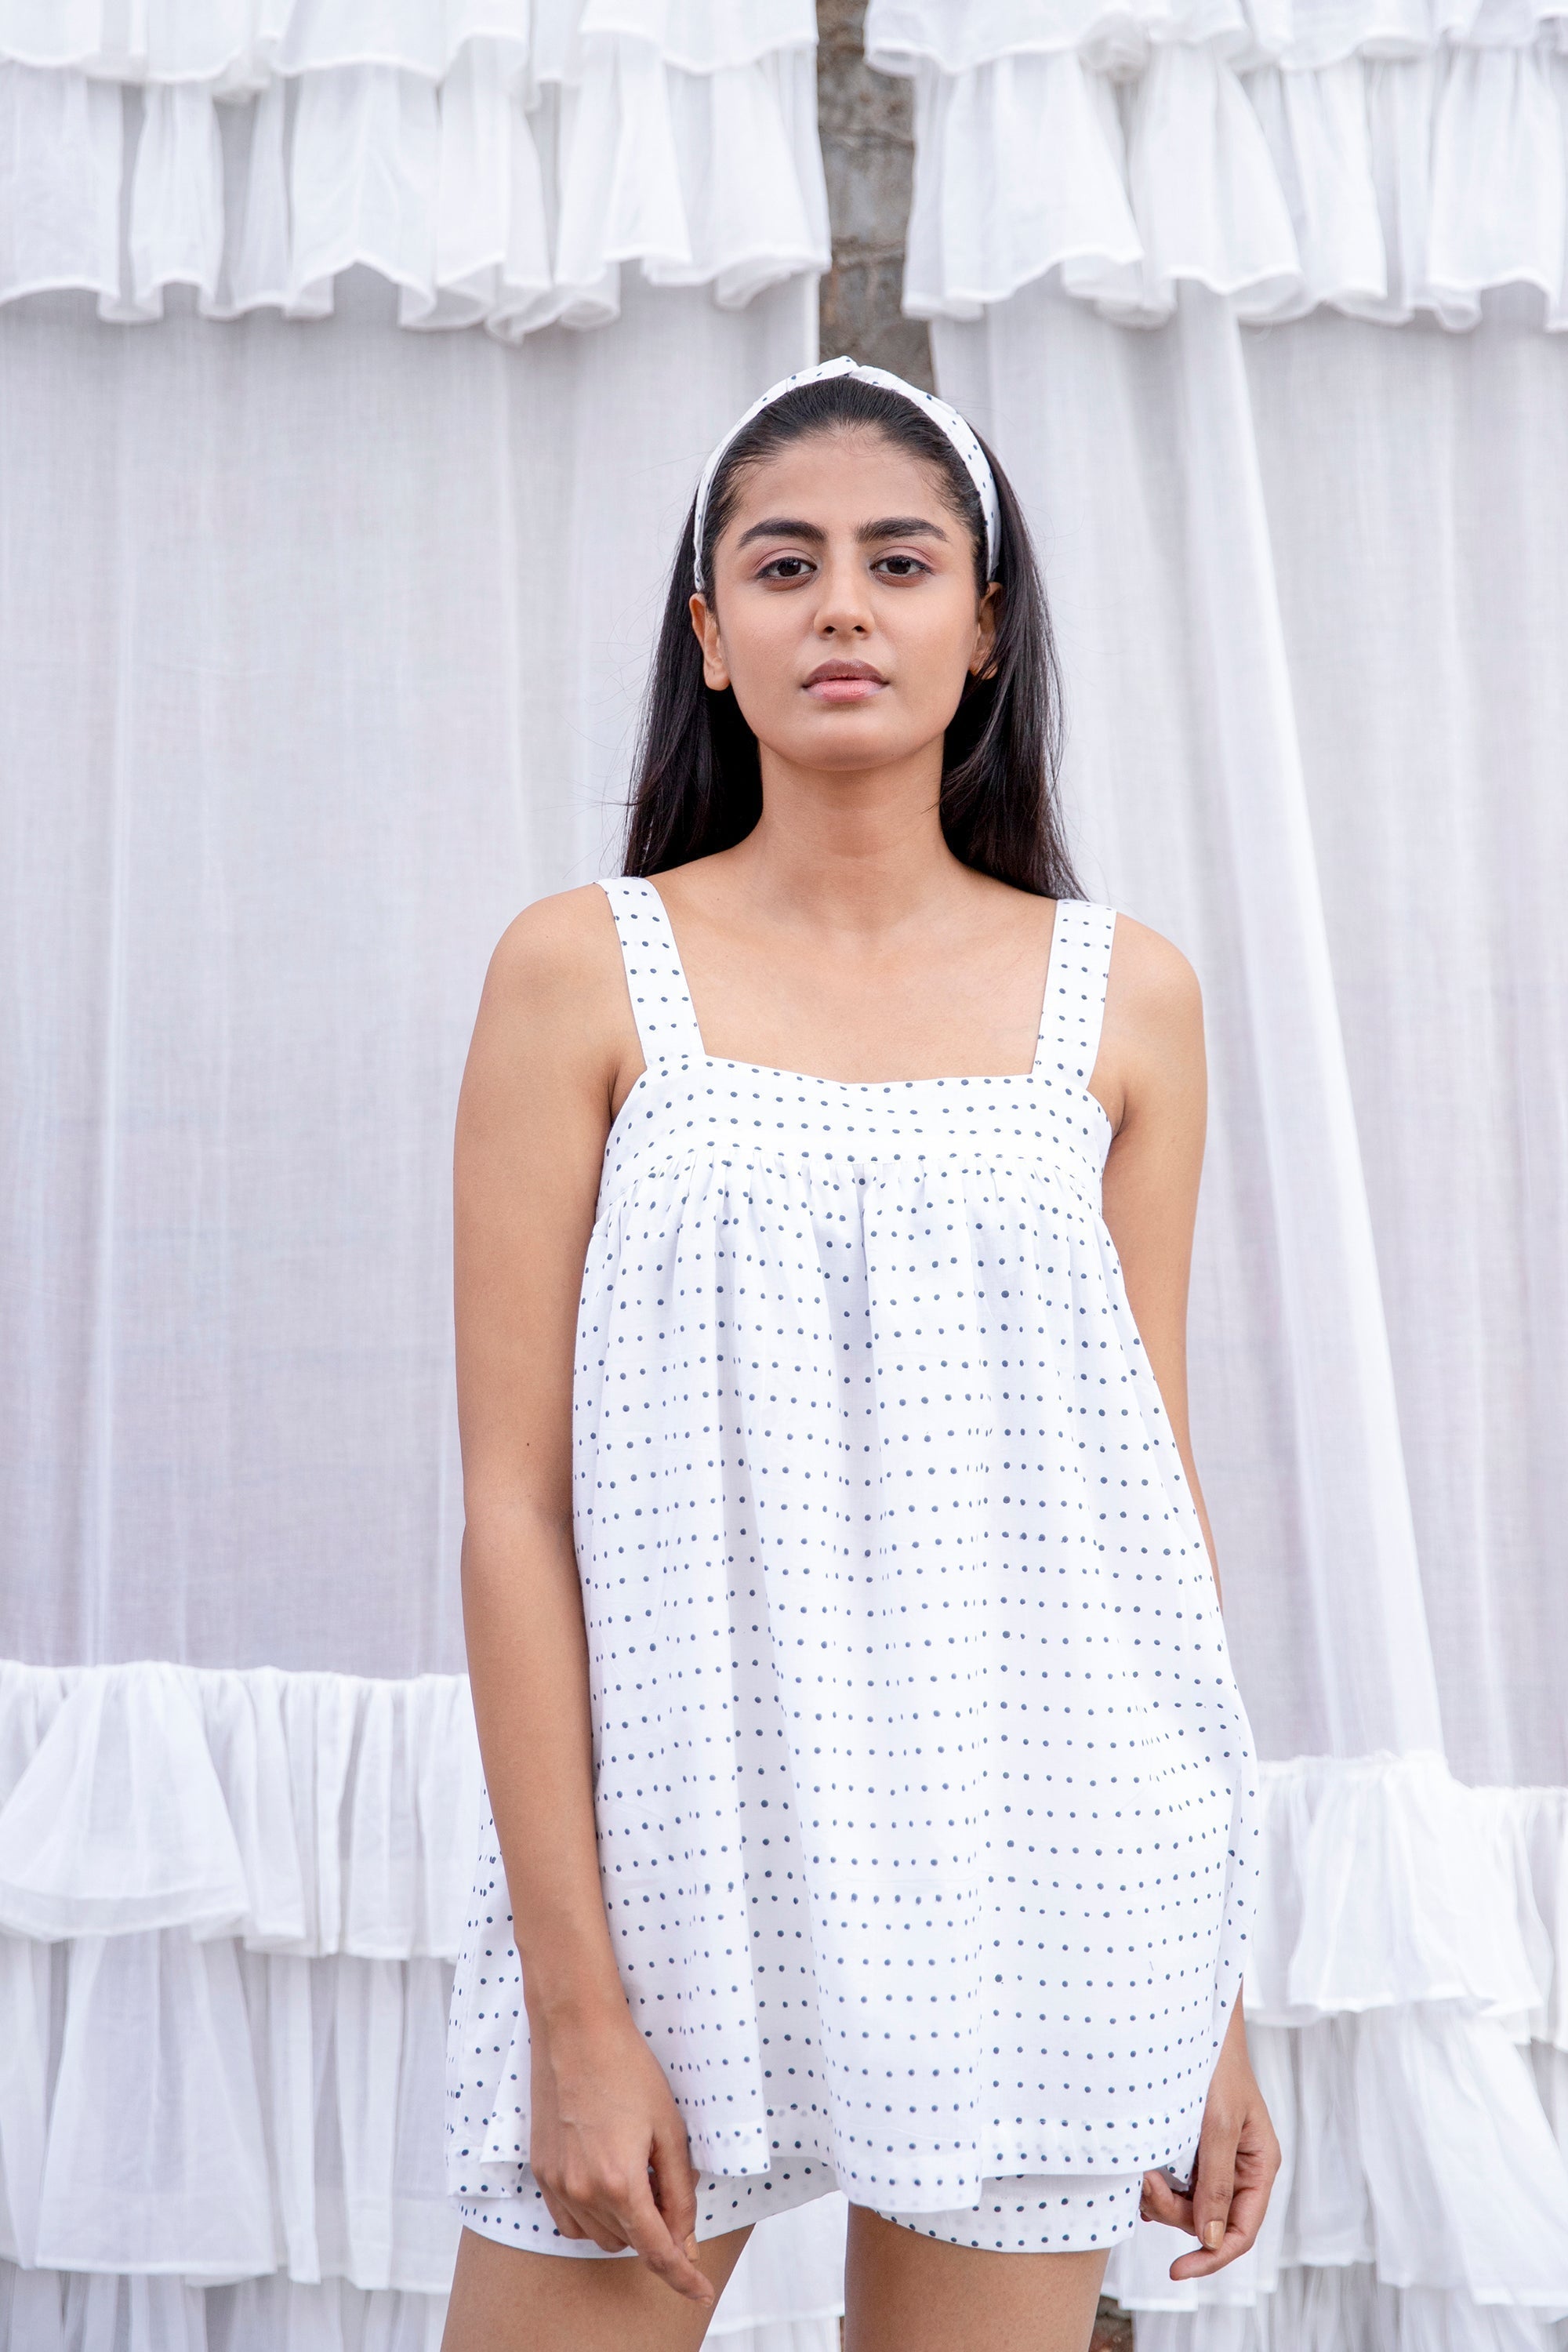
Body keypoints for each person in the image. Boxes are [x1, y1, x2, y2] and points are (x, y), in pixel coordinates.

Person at [441, 358, 1279, 2352]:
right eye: (783, 563)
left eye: (900, 563)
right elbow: (511, 1511)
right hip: (679, 1877)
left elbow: (1145, 1521)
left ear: (982, 628)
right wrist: (573, 2007)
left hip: (1046, 1876)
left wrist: (1211, 1999)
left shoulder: (1126, 999)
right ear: (708, 632)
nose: (841, 606)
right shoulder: (580, 968)